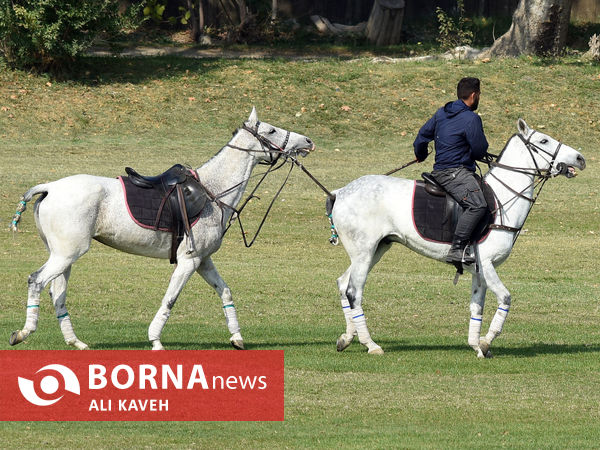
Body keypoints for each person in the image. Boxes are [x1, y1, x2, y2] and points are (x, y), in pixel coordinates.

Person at [413, 77, 489, 265]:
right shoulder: (471, 119)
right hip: (455, 173)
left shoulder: (441, 113)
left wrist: (420, 154)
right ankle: (457, 249)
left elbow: (422, 136)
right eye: (478, 95)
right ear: (474, 95)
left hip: (441, 171)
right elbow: (480, 150)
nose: (478, 98)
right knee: (478, 205)